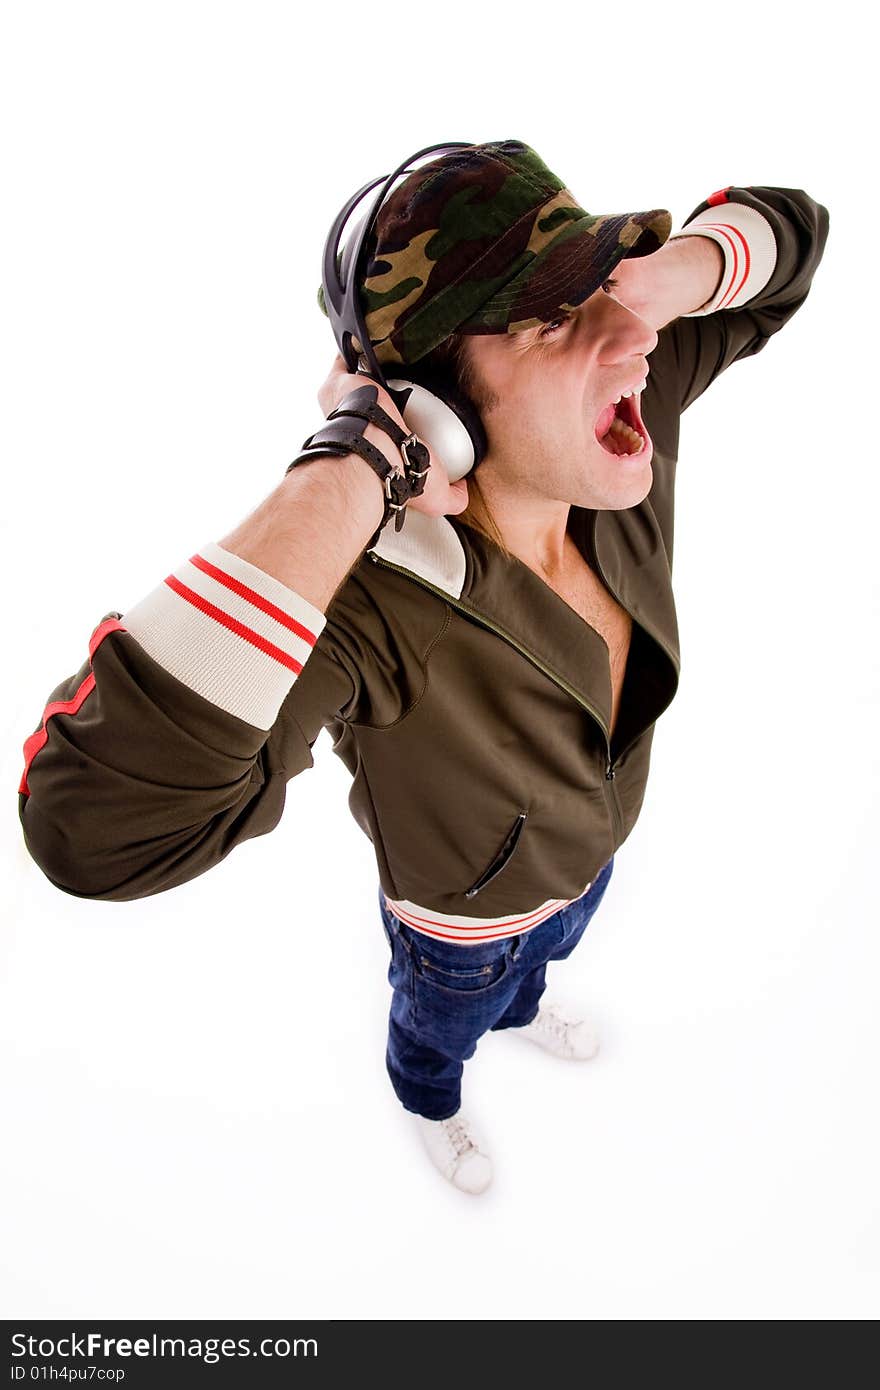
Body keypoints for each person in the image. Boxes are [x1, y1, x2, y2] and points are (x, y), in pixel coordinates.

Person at [18, 141, 830, 1196]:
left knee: (542, 970)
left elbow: (792, 235)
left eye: (604, 291)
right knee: (441, 1028)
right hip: (459, 932)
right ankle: (429, 1099)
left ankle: (529, 1005)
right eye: (551, 316)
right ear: (433, 409)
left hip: (586, 872)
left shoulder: (626, 407)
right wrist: (349, 462)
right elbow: (93, 830)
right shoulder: (361, 606)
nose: (633, 341)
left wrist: (654, 280)